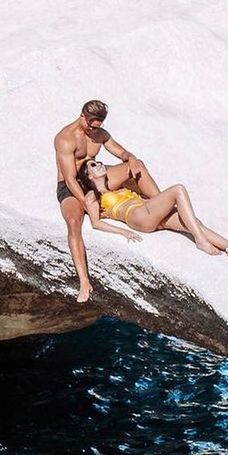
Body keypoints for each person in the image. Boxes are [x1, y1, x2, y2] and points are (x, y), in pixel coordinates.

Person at [53, 100, 159, 303]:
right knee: (74, 223)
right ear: (82, 116)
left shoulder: (99, 134)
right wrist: (88, 204)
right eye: (91, 125)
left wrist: (132, 158)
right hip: (72, 187)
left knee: (136, 166)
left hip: (95, 178)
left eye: (98, 126)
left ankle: (159, 202)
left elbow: (121, 152)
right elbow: (69, 179)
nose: (94, 129)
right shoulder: (65, 139)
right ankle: (84, 281)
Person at [80, 158, 228, 258]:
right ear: (88, 176)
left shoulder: (118, 185)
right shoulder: (92, 196)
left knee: (192, 221)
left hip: (147, 210)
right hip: (137, 216)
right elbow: (96, 223)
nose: (99, 164)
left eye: (99, 162)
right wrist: (123, 232)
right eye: (93, 165)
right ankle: (200, 241)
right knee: (178, 189)